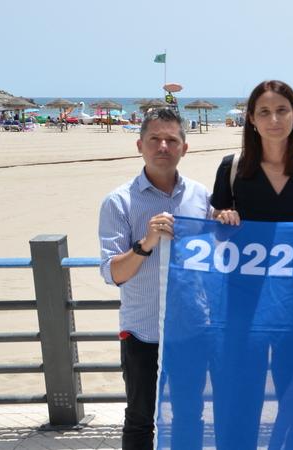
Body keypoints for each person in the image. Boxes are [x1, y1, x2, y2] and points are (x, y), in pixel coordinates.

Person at [209, 80, 293, 449]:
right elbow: (216, 233)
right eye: (264, 112)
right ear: (250, 118)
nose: (274, 119)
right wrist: (223, 218)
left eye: (282, 110)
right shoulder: (232, 168)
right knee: (240, 398)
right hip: (242, 303)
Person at [98, 107, 212, 450]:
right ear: (140, 145)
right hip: (141, 330)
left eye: (171, 140)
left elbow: (218, 256)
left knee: (190, 414)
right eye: (154, 139)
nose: (163, 146)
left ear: (184, 148)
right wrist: (145, 243)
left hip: (190, 327)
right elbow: (113, 273)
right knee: (139, 418)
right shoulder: (118, 201)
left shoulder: (202, 197)